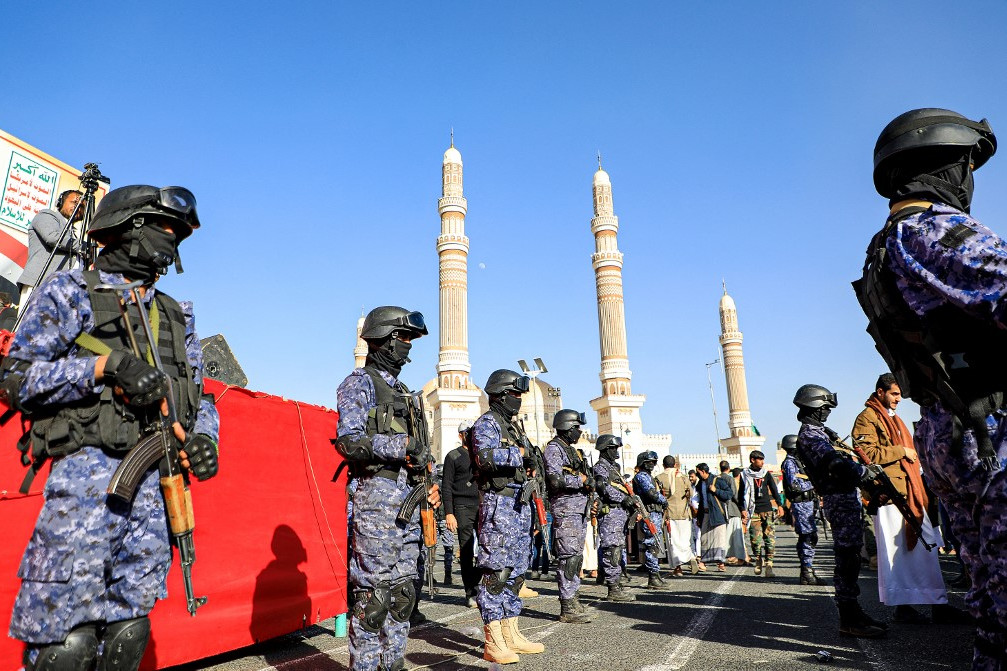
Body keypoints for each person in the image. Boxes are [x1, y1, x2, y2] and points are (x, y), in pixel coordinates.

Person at [1, 184, 220, 671]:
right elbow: (14, 379)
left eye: (179, 233)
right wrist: (101, 370)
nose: (174, 239)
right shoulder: (70, 292)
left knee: (129, 632)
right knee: (66, 644)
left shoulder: (176, 316)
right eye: (166, 228)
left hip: (155, 496)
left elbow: (199, 397)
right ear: (128, 228)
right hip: (86, 489)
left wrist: (206, 436)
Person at [859, 108, 1006, 667]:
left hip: (954, 424)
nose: (968, 180)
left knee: (993, 589)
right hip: (988, 425)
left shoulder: (887, 244)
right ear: (941, 164)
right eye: (966, 165)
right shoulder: (933, 228)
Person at [334, 305, 440, 671]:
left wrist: (431, 482)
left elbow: (423, 450)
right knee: (373, 599)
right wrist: (401, 446)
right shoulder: (359, 383)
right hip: (376, 500)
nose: (409, 345)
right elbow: (348, 442)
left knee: (402, 594)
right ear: (386, 340)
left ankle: (393, 663)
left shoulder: (407, 394)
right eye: (405, 337)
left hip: (410, 500)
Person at [852, 373, 957, 623]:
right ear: (880, 392)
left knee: (926, 552)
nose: (899, 399)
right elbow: (865, 453)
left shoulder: (894, 419)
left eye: (900, 394)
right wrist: (902, 451)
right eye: (894, 394)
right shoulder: (866, 418)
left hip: (911, 494)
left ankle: (937, 605)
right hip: (890, 497)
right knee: (898, 557)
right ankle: (904, 608)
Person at [793, 384, 887, 638]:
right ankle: (849, 617)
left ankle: (854, 612)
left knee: (852, 556)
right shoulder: (811, 436)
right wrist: (863, 473)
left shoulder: (821, 433)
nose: (827, 414)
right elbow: (834, 464)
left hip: (844, 497)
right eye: (824, 409)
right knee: (847, 558)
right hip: (838, 498)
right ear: (815, 408)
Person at [471, 369, 543, 664]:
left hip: (519, 505)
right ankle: (493, 641)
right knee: (496, 574)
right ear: (500, 395)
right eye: (514, 395)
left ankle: (511, 632)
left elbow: (527, 457)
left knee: (515, 573)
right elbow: (484, 457)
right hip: (498, 506)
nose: (518, 401)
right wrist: (520, 454)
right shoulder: (486, 424)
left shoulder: (513, 429)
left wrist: (530, 460)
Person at [543, 409, 595, 623]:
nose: (579, 432)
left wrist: (588, 483)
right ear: (566, 427)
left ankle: (573, 599)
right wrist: (580, 481)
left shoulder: (573, 451)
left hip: (578, 509)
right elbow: (555, 481)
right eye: (576, 428)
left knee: (575, 557)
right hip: (566, 509)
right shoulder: (554, 450)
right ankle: (567, 605)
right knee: (568, 557)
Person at [17, 189, 84, 310]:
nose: (78, 207)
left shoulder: (74, 234)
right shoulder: (46, 215)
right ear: (60, 203)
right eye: (74, 202)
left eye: (82, 206)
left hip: (61, 293)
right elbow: (52, 237)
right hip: (40, 284)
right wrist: (83, 246)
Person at [593, 434, 637, 602]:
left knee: (617, 550)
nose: (616, 451)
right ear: (605, 449)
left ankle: (616, 583)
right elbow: (602, 487)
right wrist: (623, 499)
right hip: (610, 513)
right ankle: (613, 587)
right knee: (611, 550)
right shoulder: (601, 467)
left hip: (619, 514)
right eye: (613, 448)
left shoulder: (613, 467)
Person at [442, 421, 479, 608]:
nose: (471, 435)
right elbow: (446, 486)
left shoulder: (480, 455)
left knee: (488, 548)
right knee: (466, 551)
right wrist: (449, 513)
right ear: (460, 435)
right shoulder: (453, 456)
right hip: (462, 507)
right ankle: (470, 592)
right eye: (467, 432)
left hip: (482, 506)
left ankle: (480, 586)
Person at [780, 434, 827, 586]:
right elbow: (794, 485)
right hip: (801, 505)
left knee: (809, 537)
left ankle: (807, 571)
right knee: (808, 537)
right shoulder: (789, 463)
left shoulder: (797, 462)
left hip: (808, 503)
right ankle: (807, 571)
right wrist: (814, 483)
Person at [738, 451, 784, 578]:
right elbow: (741, 494)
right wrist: (742, 509)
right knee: (755, 540)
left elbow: (774, 490)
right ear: (753, 460)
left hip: (767, 510)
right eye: (760, 459)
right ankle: (758, 559)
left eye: (763, 459)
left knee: (769, 539)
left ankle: (769, 565)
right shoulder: (744, 475)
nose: (762, 462)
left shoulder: (766, 474)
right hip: (753, 511)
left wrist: (780, 505)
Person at [632, 451, 671, 589]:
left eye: (654, 462)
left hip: (655, 513)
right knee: (652, 545)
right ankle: (653, 576)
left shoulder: (649, 476)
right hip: (649, 514)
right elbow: (651, 493)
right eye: (650, 462)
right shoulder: (641, 477)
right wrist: (663, 500)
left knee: (655, 544)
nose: (652, 464)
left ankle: (655, 574)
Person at [655, 455, 698, 576]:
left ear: (663, 465)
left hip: (669, 513)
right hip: (684, 513)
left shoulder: (659, 478)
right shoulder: (684, 477)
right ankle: (691, 557)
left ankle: (678, 568)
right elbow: (691, 493)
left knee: (673, 541)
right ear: (675, 465)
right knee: (685, 539)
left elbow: (657, 496)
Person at [695, 463, 730, 571]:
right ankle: (703, 562)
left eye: (698, 472)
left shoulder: (717, 481)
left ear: (703, 471)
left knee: (719, 539)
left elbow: (729, 494)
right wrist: (699, 518)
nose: (697, 474)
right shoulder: (700, 484)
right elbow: (701, 502)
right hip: (705, 514)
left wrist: (716, 490)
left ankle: (720, 563)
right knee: (705, 539)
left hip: (717, 514)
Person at [718, 460, 747, 566]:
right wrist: (741, 508)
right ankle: (740, 558)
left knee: (724, 536)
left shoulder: (717, 479)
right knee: (737, 536)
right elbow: (734, 495)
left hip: (721, 511)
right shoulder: (730, 479)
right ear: (728, 468)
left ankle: (723, 558)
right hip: (733, 510)